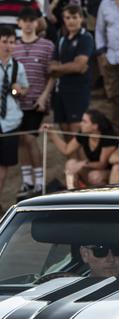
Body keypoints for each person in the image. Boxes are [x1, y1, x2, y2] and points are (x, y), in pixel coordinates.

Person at [14, 6, 54, 198]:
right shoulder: (12, 45)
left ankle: (39, 182)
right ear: (19, 23)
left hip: (37, 100)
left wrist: (44, 96)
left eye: (32, 20)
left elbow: (52, 75)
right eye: (25, 20)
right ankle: (27, 181)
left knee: (30, 138)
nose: (29, 23)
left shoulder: (47, 45)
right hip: (16, 104)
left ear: (37, 22)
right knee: (21, 141)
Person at [42, 110, 118, 188]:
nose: (81, 124)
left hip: (111, 171)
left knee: (95, 176)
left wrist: (82, 164)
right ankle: (71, 192)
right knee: (70, 164)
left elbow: (102, 164)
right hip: (92, 168)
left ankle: (98, 198)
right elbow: (66, 149)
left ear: (95, 126)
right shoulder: (84, 134)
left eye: (84, 122)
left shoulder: (108, 136)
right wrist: (51, 133)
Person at [49, 5, 93, 134]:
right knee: (65, 129)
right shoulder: (62, 39)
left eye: (74, 17)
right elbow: (51, 66)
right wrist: (70, 67)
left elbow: (79, 66)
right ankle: (70, 156)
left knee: (76, 131)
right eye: (68, 18)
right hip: (60, 91)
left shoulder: (86, 38)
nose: (71, 21)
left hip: (78, 92)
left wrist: (58, 68)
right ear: (63, 19)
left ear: (81, 19)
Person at [0, 26, 28, 206]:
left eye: (12, 42)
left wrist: (19, 90)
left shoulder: (18, 66)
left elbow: (25, 89)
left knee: (3, 165)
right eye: (4, 42)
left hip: (9, 121)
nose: (8, 46)